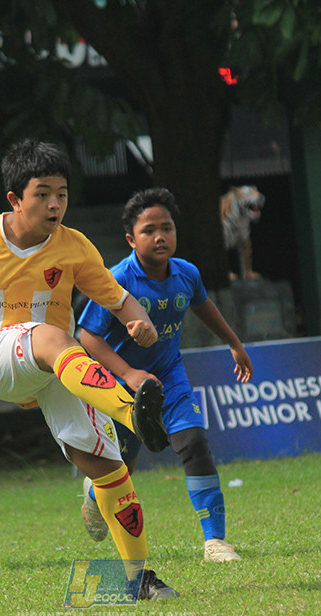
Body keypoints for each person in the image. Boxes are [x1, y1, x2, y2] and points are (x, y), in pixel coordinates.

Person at [0, 139, 178, 600]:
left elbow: (115, 296)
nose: (54, 204)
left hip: (59, 365)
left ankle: (139, 579)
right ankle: (131, 413)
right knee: (49, 335)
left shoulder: (74, 247)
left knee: (107, 466)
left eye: (62, 193)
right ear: (15, 199)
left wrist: (136, 319)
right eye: (42, 193)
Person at [78, 187, 254, 563]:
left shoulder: (186, 273)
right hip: (120, 384)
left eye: (167, 228)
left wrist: (234, 344)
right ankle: (94, 495)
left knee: (193, 444)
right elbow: (87, 335)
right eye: (149, 230)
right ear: (130, 239)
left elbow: (203, 307)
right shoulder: (115, 280)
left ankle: (215, 541)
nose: (160, 236)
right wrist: (128, 373)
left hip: (169, 375)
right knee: (121, 466)